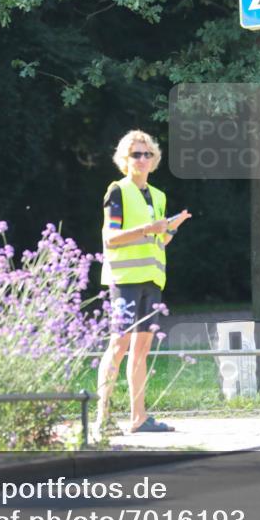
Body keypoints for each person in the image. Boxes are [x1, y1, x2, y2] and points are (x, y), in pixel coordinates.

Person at [97, 130, 191, 434]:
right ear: (124, 159)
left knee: (141, 350)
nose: (141, 159)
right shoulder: (117, 191)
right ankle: (103, 417)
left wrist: (171, 228)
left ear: (154, 159)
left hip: (152, 281)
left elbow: (158, 240)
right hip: (125, 280)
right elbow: (111, 239)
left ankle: (139, 418)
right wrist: (147, 228)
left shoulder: (159, 196)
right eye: (135, 154)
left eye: (146, 154)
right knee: (118, 345)